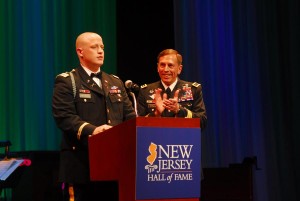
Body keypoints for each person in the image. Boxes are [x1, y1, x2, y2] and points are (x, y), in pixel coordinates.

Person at [52, 32, 136, 201]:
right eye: (94, 47)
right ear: (80, 52)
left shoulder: (115, 82)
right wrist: (94, 130)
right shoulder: (68, 81)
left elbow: (129, 117)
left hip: (113, 165)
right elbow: (64, 116)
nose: (100, 51)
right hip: (81, 165)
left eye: (102, 47)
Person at [137, 48, 207, 129]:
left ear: (179, 69)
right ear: (157, 67)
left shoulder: (193, 89)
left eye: (170, 65)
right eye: (162, 65)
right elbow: (138, 127)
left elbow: (202, 123)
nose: (166, 69)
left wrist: (180, 110)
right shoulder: (145, 91)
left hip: (183, 140)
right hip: (154, 140)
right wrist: (156, 114)